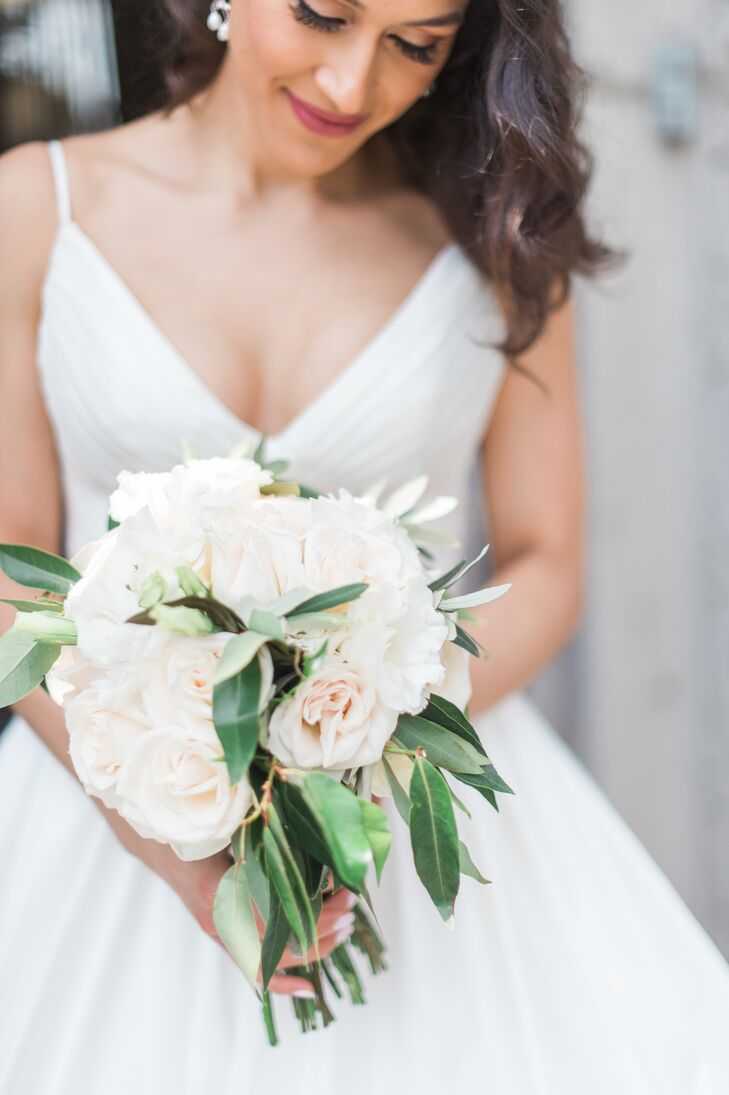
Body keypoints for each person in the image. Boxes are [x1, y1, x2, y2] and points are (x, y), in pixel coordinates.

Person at [1, 0, 728, 1090]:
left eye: (415, 46)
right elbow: (11, 574)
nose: (350, 86)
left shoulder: (501, 235)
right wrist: (177, 845)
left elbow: (547, 557)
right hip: (99, 813)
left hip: (419, 808)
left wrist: (364, 717)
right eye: (321, 14)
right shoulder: (32, 207)